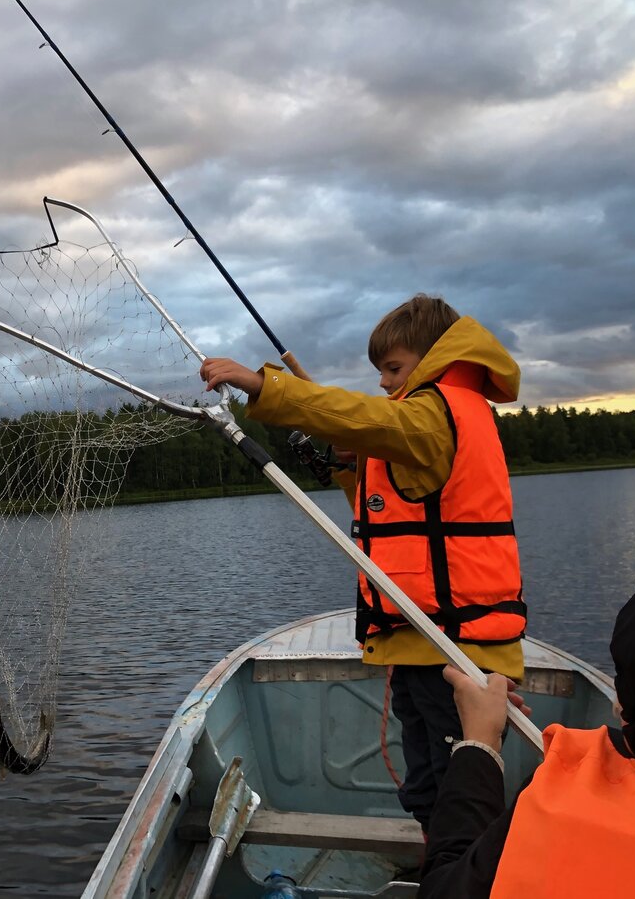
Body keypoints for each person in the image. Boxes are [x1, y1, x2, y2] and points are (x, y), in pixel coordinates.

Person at [200, 294, 526, 834]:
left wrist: (267, 386)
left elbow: (363, 416)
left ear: (432, 360)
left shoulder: (435, 414)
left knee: (460, 793)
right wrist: (353, 468)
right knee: (427, 789)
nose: (382, 383)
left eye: (393, 369)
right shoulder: (417, 422)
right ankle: (437, 868)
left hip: (455, 649)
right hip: (419, 644)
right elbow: (389, 515)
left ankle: (464, 877)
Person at [420, 549, 635, 898]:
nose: (618, 701)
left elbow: (445, 890)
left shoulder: (566, 801)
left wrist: (478, 746)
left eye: (630, 682)